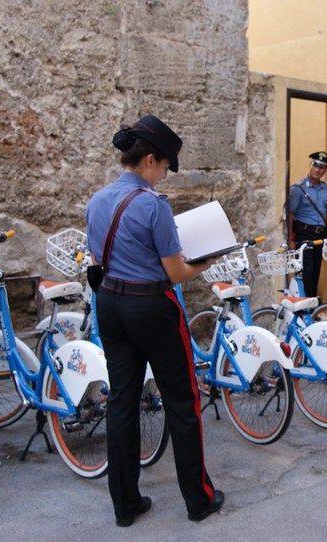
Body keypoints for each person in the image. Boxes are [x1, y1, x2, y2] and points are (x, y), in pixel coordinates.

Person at [85, 114, 224, 526]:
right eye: (165, 167)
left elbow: (97, 259)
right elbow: (177, 272)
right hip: (152, 309)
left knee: (122, 403)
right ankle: (199, 500)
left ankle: (126, 505)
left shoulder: (96, 201)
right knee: (183, 403)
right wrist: (210, 258)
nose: (165, 176)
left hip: (109, 304)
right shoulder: (152, 205)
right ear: (149, 160)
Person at [288, 151, 327, 297]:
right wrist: (290, 239)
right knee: (305, 270)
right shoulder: (298, 189)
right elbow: (290, 214)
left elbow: (326, 212)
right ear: (310, 165)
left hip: (319, 235)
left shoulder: (326, 189)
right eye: (315, 165)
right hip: (304, 232)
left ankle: (312, 303)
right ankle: (304, 304)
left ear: (325, 170)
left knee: (316, 271)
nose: (318, 169)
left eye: (322, 167)